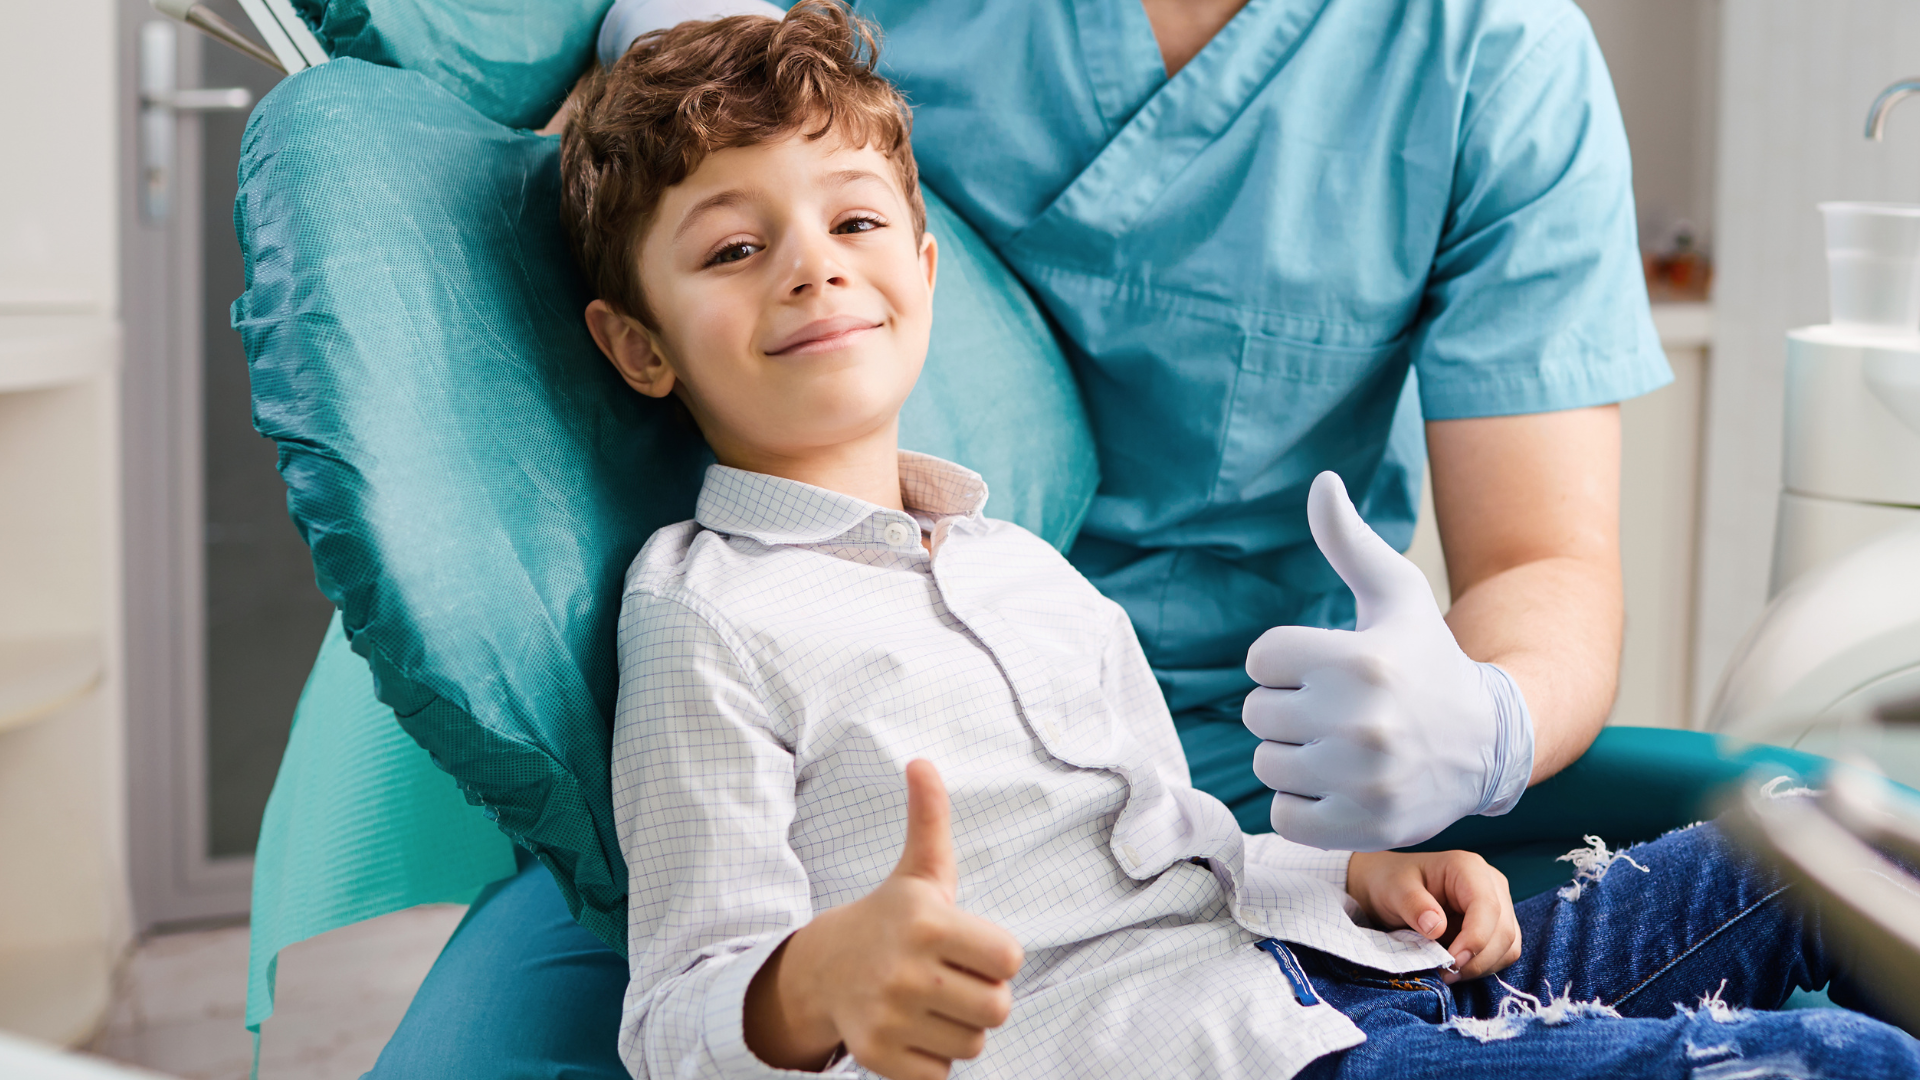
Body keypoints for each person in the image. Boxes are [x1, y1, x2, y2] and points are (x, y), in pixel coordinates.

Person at [388, 7, 1920, 1079]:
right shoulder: (709, 616)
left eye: (854, 225)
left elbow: (1178, 840)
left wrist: (1439, 768)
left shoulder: (1009, 566)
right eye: (736, 247)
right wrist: (823, 984)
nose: (810, 269)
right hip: (1171, 1044)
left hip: (1296, 886)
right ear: (636, 342)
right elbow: (697, 1012)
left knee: (1828, 862)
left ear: (924, 267)